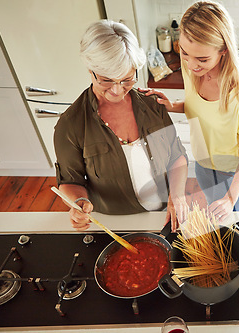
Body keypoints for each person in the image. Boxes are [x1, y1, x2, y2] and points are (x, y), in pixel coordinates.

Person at [54, 20, 188, 231]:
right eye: (106, 80)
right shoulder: (70, 125)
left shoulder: (152, 104)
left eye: (127, 79)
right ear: (90, 69)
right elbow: (71, 181)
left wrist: (177, 195)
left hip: (163, 215)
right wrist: (79, 203)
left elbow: (176, 155)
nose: (117, 91)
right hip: (112, 223)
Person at [140, 1, 239, 222]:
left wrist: (230, 199)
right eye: (185, 53)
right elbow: (198, 107)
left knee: (228, 221)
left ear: (224, 50)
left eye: (202, 59)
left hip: (230, 172)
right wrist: (173, 106)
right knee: (212, 209)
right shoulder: (190, 67)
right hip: (202, 161)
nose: (192, 65)